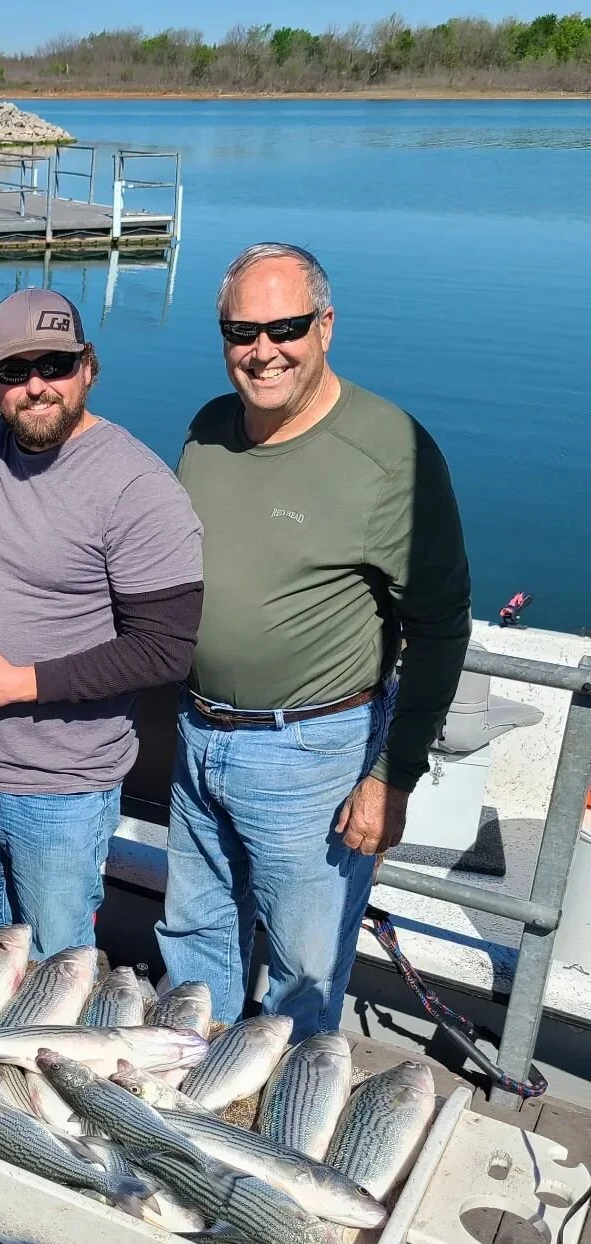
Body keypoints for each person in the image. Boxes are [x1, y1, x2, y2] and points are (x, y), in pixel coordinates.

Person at [157, 242, 471, 1040]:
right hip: (197, 733)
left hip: (311, 758)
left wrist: (391, 776)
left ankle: (286, 1135)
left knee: (304, 967)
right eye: (240, 332)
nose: (262, 351)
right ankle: (198, 1105)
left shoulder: (391, 454)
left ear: (326, 326)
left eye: (285, 326)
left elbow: (439, 629)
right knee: (194, 937)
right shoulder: (207, 428)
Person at [0, 289, 203, 960]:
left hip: (61, 794)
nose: (35, 388)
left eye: (55, 366)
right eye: (14, 372)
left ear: (90, 368)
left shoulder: (137, 487)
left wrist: (17, 684)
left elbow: (164, 650)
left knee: (57, 974)